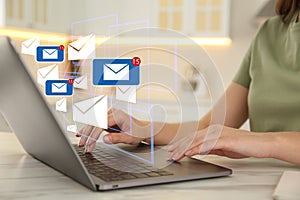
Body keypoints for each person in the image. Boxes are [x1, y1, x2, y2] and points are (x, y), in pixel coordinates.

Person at [77, 0, 300, 165]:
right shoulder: (268, 33)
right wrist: (144, 128)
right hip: (260, 183)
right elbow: (206, 128)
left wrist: (265, 142)